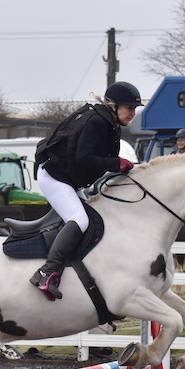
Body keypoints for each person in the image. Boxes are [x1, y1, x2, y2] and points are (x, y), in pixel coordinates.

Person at [29, 81, 143, 300]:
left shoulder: (108, 122)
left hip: (67, 178)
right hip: (54, 176)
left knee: (94, 218)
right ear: (114, 105)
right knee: (80, 220)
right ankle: (46, 273)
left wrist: (116, 164)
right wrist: (115, 163)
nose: (132, 113)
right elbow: (84, 157)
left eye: (134, 108)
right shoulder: (97, 122)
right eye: (129, 108)